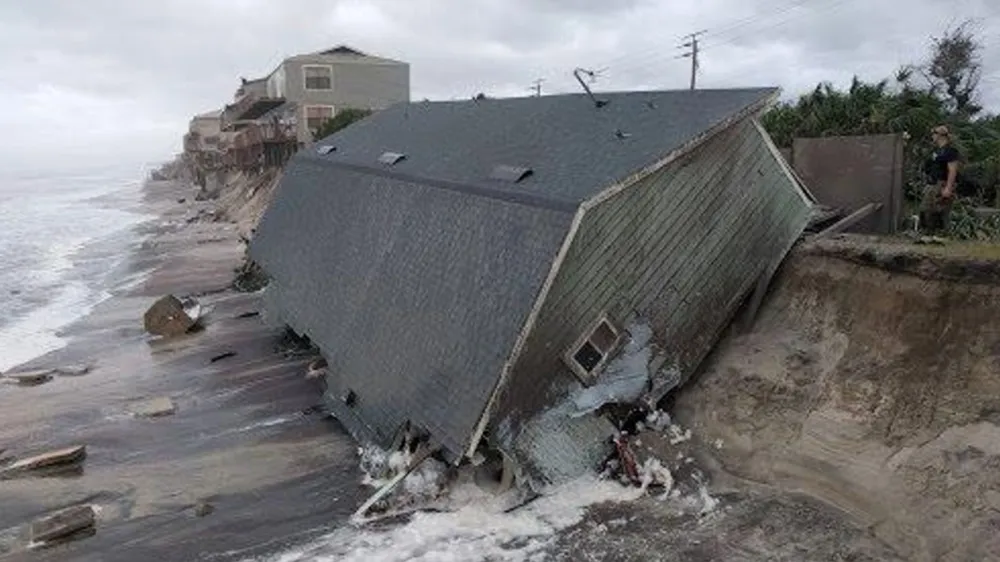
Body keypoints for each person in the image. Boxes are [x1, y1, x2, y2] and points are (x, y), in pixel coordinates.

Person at [920, 125, 961, 233]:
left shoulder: (950, 151)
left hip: (942, 183)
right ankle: (929, 233)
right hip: (933, 183)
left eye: (934, 134)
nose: (932, 136)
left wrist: (948, 187)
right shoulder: (937, 151)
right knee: (926, 209)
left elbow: (952, 170)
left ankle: (941, 233)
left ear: (940, 135)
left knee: (939, 210)